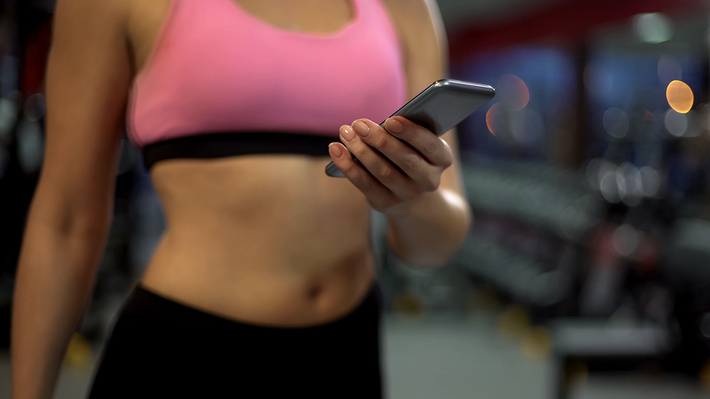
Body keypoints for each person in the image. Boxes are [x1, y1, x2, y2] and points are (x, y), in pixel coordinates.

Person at [11, 0, 471, 397]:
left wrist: (410, 199)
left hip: (345, 351)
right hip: (184, 352)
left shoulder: (405, 8)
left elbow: (438, 243)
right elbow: (66, 221)